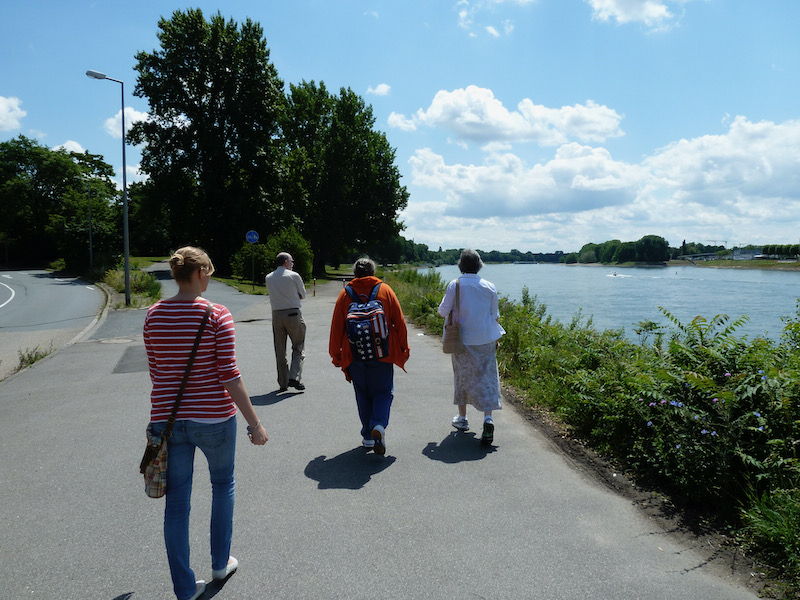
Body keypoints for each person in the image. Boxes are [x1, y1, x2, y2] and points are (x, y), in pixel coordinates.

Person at [144, 246, 268, 600]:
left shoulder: (153, 315)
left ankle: (184, 588)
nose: (210, 278)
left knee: (177, 504)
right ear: (200, 274)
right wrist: (254, 422)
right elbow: (228, 375)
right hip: (214, 417)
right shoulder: (217, 315)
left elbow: (158, 373)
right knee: (222, 485)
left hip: (167, 421)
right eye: (210, 272)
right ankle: (218, 563)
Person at [329, 257, 410, 455]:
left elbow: (337, 327)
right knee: (383, 392)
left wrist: (336, 355)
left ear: (355, 273)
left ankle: (367, 436)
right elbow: (399, 322)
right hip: (383, 352)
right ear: (373, 272)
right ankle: (379, 426)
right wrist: (403, 348)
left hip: (354, 354)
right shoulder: (385, 291)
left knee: (362, 393)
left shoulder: (344, 294)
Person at [437, 249, 505, 446]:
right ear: (479, 265)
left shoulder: (454, 285)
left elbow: (443, 312)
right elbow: (494, 316)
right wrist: (495, 338)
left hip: (462, 341)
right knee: (487, 377)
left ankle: (463, 419)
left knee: (462, 377)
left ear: (461, 265)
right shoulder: (489, 286)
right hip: (485, 339)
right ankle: (488, 419)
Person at [265, 252, 307, 391]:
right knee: (298, 345)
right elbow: (303, 295)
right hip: (293, 313)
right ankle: (293, 377)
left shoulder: (269, 277)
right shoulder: (293, 275)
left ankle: (282, 382)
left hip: (276, 315)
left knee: (280, 349)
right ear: (286, 262)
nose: (292, 263)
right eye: (291, 261)